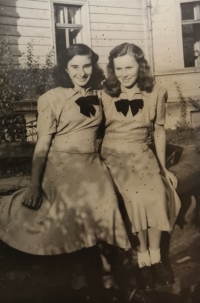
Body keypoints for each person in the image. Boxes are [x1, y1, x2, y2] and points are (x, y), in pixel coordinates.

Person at [0, 44, 130, 293]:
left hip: (91, 163)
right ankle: (79, 271)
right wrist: (35, 185)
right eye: (75, 67)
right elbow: (43, 143)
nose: (81, 72)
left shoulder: (100, 94)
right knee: (74, 207)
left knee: (106, 203)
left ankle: (106, 270)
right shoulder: (51, 98)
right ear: (65, 69)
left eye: (86, 65)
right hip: (61, 164)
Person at [100, 43, 181, 290]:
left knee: (156, 193)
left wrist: (163, 167)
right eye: (118, 68)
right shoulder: (104, 93)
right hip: (113, 154)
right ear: (112, 70)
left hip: (142, 153)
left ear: (140, 66)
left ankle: (156, 258)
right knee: (134, 199)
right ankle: (142, 260)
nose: (123, 74)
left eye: (129, 67)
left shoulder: (157, 91)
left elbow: (158, 129)